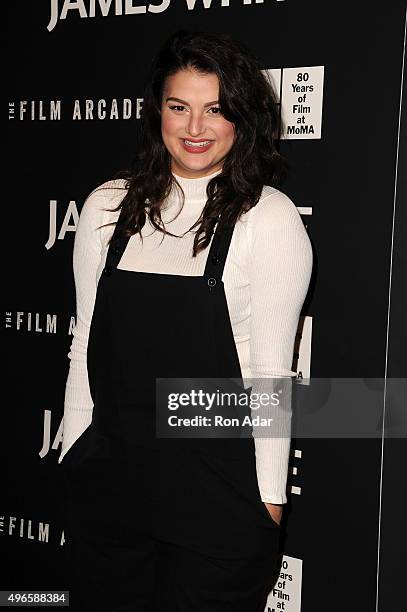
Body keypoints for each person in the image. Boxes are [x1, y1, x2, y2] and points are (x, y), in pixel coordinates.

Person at [59, 29, 313, 612]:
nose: (195, 128)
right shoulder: (106, 208)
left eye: (215, 109)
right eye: (180, 107)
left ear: (241, 119)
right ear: (158, 112)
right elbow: (85, 347)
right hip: (112, 489)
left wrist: (267, 499)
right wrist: (76, 455)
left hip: (218, 496)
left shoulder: (267, 219)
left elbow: (272, 373)